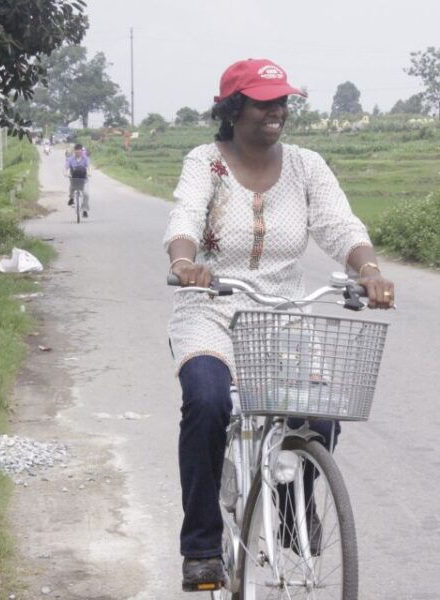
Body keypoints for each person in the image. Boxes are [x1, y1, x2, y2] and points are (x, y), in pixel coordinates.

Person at [162, 58, 395, 591]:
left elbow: (340, 225)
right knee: (207, 401)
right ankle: (201, 547)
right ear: (233, 108)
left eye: (282, 101)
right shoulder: (205, 162)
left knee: (321, 416)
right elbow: (185, 217)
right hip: (211, 305)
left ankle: (293, 506)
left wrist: (369, 271)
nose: (277, 111)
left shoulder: (307, 166)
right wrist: (184, 262)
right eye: (264, 102)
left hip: (282, 311)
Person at [64, 143, 90, 218]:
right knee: (72, 186)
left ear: (82, 151)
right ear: (74, 151)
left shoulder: (85, 159)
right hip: (74, 178)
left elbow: (88, 167)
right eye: (76, 151)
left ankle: (84, 210)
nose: (78, 152)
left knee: (86, 194)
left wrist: (89, 173)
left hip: (83, 179)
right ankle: (71, 198)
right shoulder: (70, 159)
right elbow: (66, 168)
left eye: (79, 151)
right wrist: (65, 173)